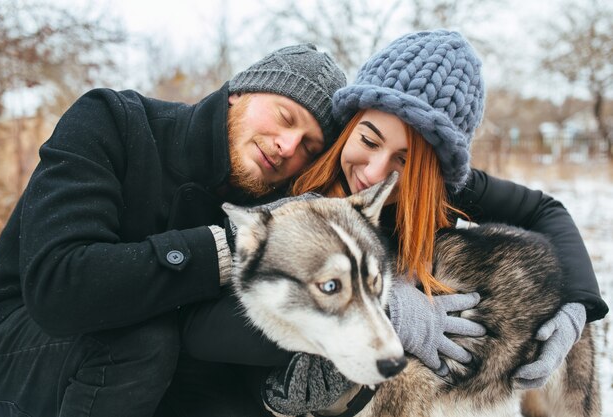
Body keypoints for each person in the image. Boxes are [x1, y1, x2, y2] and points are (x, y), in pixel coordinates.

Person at [179, 30, 609, 416]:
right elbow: (205, 328)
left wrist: (579, 305)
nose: (374, 171)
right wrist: (381, 307)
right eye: (368, 140)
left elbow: (544, 209)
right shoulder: (292, 187)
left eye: (405, 161)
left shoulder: (441, 189)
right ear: (348, 126)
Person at [0, 43, 349, 417]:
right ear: (239, 92)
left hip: (151, 371)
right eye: (285, 117)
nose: (288, 146)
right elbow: (57, 286)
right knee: (140, 341)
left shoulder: (270, 207)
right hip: (14, 339)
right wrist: (227, 246)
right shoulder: (112, 119)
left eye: (309, 146)